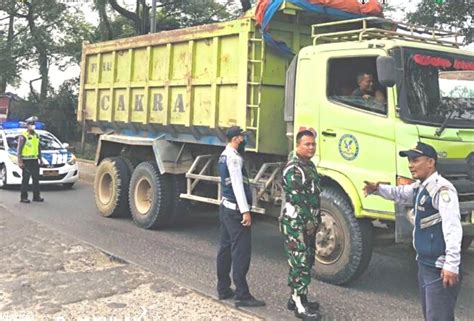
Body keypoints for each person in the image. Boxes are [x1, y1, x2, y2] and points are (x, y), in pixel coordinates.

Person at [363, 142, 462, 321]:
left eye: (415, 160)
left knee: (438, 317)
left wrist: (451, 265)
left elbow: (453, 228)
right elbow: (400, 193)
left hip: (438, 267)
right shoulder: (420, 187)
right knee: (431, 316)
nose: (410, 165)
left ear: (431, 162)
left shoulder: (442, 190)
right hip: (424, 264)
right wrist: (377, 189)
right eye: (409, 161)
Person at [216, 126, 265, 308]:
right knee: (241, 252)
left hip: (226, 209)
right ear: (236, 139)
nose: (244, 140)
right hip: (236, 211)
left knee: (225, 249)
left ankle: (223, 288)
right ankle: (242, 295)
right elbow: (237, 185)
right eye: (242, 137)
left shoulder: (224, 155)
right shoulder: (234, 159)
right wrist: (245, 211)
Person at [280, 129, 322, 321]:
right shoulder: (294, 169)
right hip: (296, 223)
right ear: (298, 146)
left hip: (308, 223)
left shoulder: (309, 165)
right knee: (299, 262)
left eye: (313, 144)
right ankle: (299, 305)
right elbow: (298, 199)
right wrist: (309, 222)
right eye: (307, 144)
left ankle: (298, 296)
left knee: (307, 260)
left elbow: (314, 195)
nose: (311, 147)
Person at [18, 116, 44, 203]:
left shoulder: (36, 135)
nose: (33, 126)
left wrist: (40, 159)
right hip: (26, 160)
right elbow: (19, 150)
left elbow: (38, 148)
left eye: (34, 124)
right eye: (31, 124)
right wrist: (20, 161)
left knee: (36, 179)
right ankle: (23, 197)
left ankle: (36, 196)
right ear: (27, 125)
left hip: (35, 160)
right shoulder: (23, 136)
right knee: (25, 179)